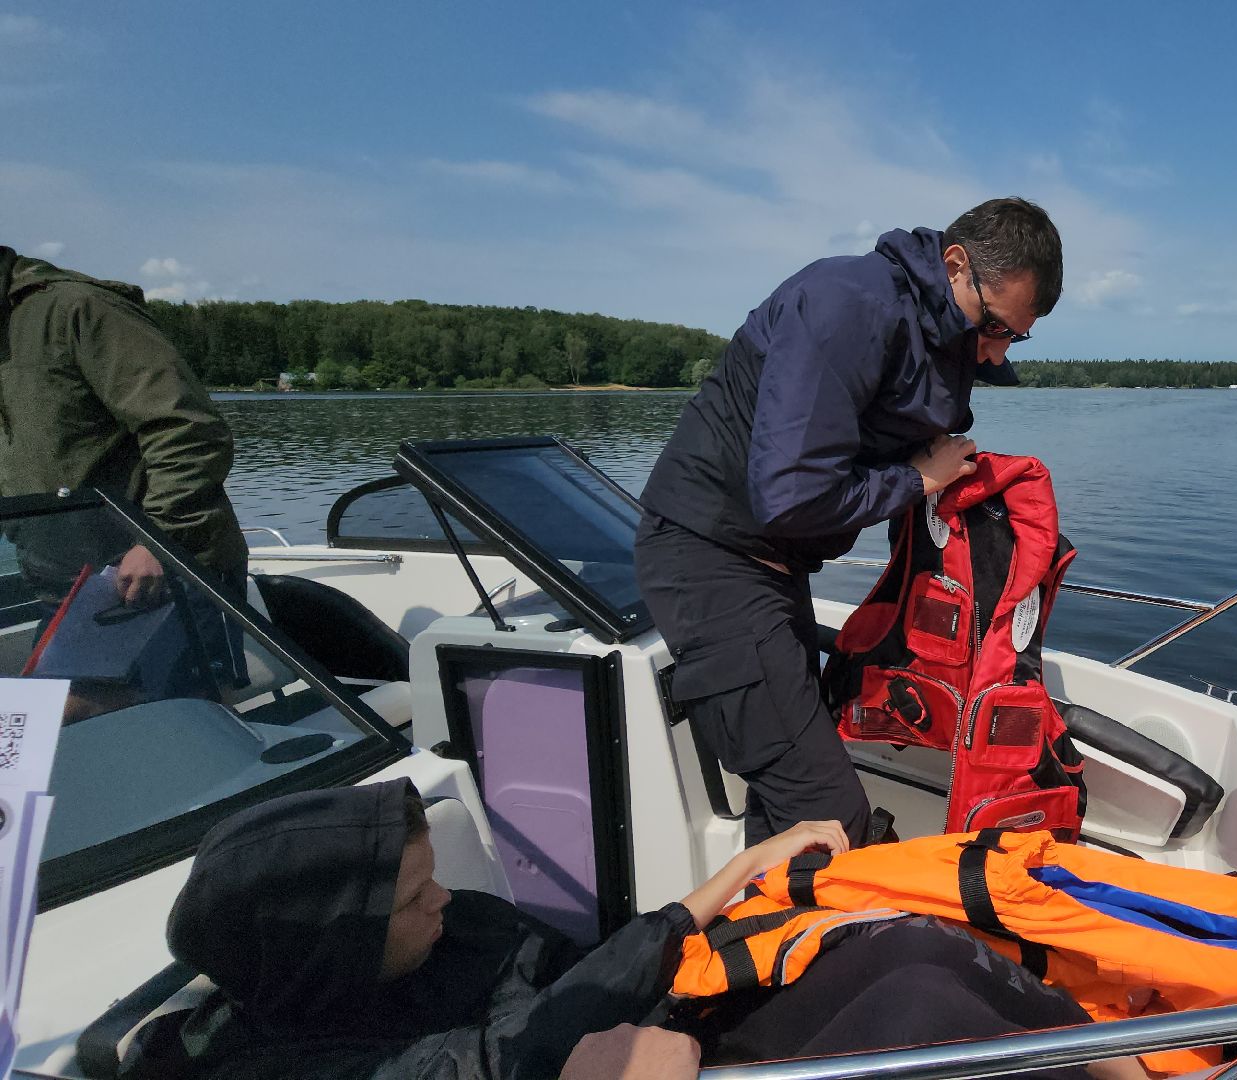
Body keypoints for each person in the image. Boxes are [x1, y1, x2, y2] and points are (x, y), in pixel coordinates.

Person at [124, 778, 1132, 1080]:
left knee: (908, 944)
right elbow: (504, 1057)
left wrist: (732, 881)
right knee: (918, 1011)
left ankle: (1112, 1064)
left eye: (430, 880)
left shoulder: (452, 938)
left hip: (642, 1042)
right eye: (412, 899)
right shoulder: (299, 1071)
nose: (445, 903)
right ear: (328, 947)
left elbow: (573, 992)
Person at [635, 197, 1063, 846]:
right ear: (955, 265)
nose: (999, 356)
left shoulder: (938, 324)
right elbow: (789, 495)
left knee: (783, 804)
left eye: (1017, 337)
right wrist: (918, 479)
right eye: (998, 327)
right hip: (710, 563)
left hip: (775, 569)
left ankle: (756, 939)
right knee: (831, 817)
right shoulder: (845, 307)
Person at [0, 245, 247, 597]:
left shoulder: (80, 308)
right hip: (55, 581)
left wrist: (158, 541)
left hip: (160, 576)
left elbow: (189, 430)